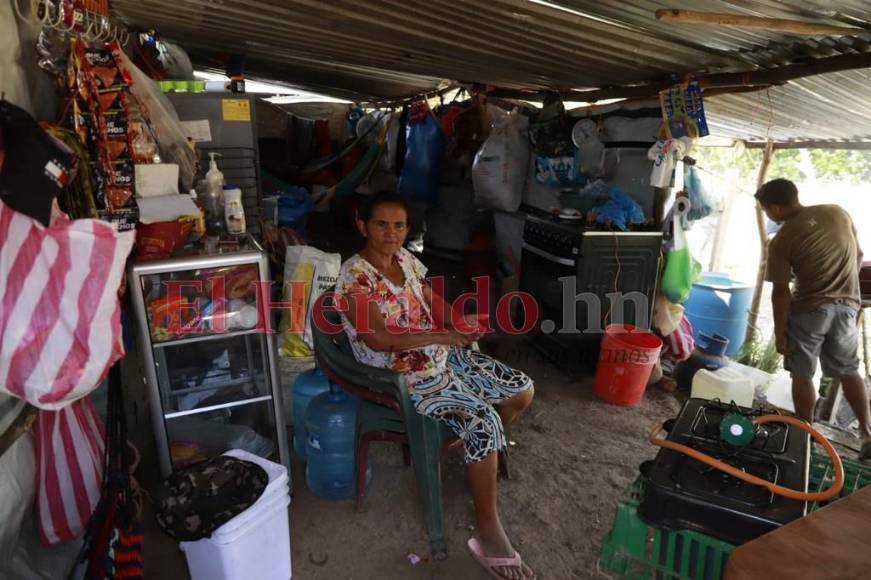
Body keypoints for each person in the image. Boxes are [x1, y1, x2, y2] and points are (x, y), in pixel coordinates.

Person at [336, 192, 536, 580]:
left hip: (441, 355)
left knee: (521, 391)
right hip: (403, 373)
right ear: (363, 226)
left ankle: (474, 451)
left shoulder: (405, 259)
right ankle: (489, 531)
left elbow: (430, 296)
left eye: (399, 226)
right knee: (483, 422)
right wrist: (442, 335)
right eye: (381, 225)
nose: (391, 233)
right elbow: (377, 338)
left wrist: (459, 321)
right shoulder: (354, 276)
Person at [757, 178, 870, 461]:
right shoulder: (837, 212)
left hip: (810, 310)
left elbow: (781, 293)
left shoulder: (781, 240)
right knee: (849, 370)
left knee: (803, 373)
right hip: (847, 307)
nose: (769, 215)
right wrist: (844, 288)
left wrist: (780, 334)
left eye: (766, 210)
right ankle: (867, 434)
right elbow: (858, 255)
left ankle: (805, 438)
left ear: (775, 208)